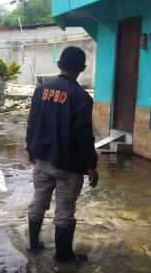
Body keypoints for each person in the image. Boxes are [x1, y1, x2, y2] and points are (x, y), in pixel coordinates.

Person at [25, 46, 99, 263]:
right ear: (83, 68)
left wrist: (31, 148)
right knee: (65, 209)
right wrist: (91, 165)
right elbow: (84, 135)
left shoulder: (41, 90)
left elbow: (32, 122)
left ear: (59, 65)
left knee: (38, 201)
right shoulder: (82, 97)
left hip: (42, 158)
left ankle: (33, 244)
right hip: (68, 164)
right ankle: (63, 255)